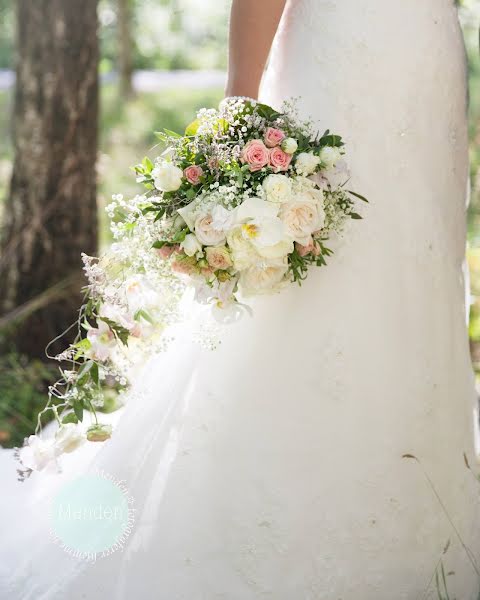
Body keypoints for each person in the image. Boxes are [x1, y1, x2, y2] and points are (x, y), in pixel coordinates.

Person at [2, 1, 480, 597]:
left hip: (426, 57)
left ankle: (422, 523)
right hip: (335, 61)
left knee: (415, 274)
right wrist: (239, 106)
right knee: (313, 275)